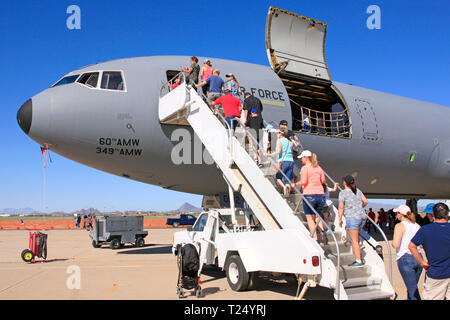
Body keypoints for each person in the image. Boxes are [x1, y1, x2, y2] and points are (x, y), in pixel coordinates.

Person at [409, 202, 450, 300]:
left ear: (434, 215)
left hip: (436, 273)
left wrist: (422, 263)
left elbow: (411, 246)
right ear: (447, 214)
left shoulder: (425, 230)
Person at [291, 150, 326, 241]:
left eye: (302, 158)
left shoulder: (305, 168)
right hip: (320, 195)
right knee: (317, 217)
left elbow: (304, 181)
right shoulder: (319, 168)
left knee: (310, 218)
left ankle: (315, 238)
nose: (301, 160)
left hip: (309, 195)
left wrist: (295, 184)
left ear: (306, 158)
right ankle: (323, 235)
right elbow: (323, 181)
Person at [391, 205, 422, 300]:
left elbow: (396, 244)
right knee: (412, 287)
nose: (396, 215)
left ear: (401, 215)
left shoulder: (400, 226)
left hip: (405, 257)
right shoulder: (417, 225)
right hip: (418, 257)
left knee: (413, 291)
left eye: (397, 213)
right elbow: (420, 243)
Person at [338, 175, 368, 267]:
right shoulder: (358, 191)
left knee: (354, 240)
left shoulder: (343, 193)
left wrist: (339, 219)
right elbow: (365, 201)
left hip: (352, 218)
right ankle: (359, 245)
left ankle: (358, 261)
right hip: (362, 217)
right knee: (349, 230)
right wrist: (359, 208)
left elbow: (341, 207)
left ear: (345, 183)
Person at [267, 127, 294, 198]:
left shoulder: (280, 140)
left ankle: (284, 187)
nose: (277, 134)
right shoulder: (290, 142)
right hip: (291, 161)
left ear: (281, 133)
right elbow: (291, 153)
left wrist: (270, 154)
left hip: (283, 161)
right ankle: (288, 193)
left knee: (278, 176)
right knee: (288, 178)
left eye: (278, 132)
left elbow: (278, 151)